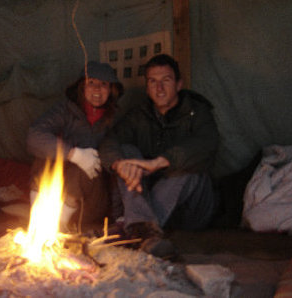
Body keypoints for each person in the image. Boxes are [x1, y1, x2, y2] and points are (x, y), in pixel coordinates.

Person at [99, 54, 220, 257]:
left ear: (179, 84)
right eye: (153, 82)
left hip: (190, 209)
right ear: (146, 87)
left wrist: (159, 162)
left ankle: (133, 226)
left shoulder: (197, 112)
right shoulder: (139, 115)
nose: (159, 88)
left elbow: (206, 145)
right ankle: (146, 232)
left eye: (166, 81)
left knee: (187, 169)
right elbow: (110, 141)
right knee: (127, 154)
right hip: (152, 203)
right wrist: (120, 164)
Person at [27, 61, 124, 233]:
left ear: (111, 90)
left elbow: (118, 167)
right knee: (49, 156)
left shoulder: (115, 121)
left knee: (89, 165)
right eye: (91, 83)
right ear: (82, 86)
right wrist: (73, 154)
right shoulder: (65, 111)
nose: (96, 89)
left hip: (90, 203)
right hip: (50, 195)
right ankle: (42, 221)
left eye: (103, 85)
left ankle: (56, 226)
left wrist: (119, 217)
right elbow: (34, 137)